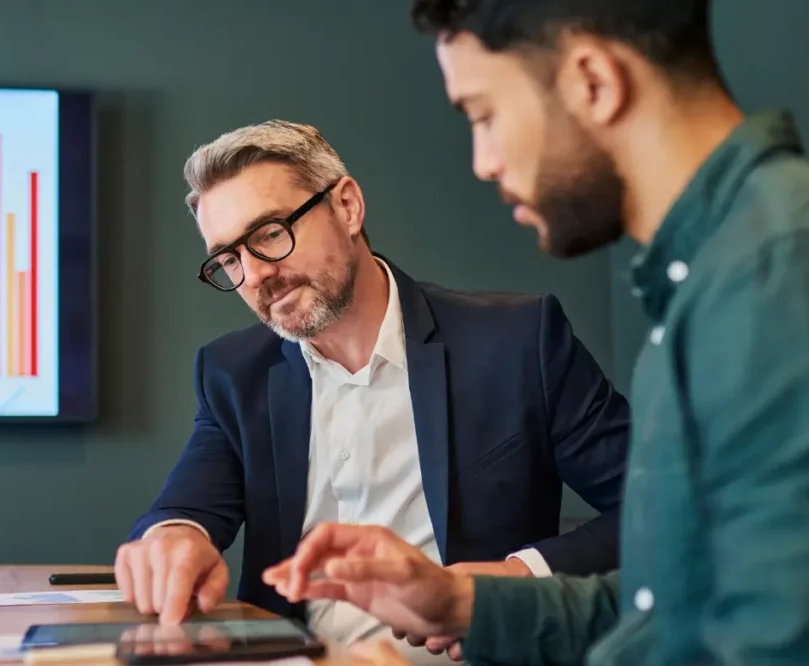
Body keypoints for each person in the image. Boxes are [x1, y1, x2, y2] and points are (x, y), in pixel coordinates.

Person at [262, 1, 809, 665]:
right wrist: (464, 600)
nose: (482, 159)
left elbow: (795, 648)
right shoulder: (722, 275)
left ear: (592, 80)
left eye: (484, 113)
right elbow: (675, 600)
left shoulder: (799, 271)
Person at [115, 120, 633, 656]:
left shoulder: (519, 343)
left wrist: (509, 579)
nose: (255, 276)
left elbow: (658, 507)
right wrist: (171, 538)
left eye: (269, 233)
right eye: (228, 259)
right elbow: (185, 508)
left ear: (347, 207)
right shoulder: (232, 372)